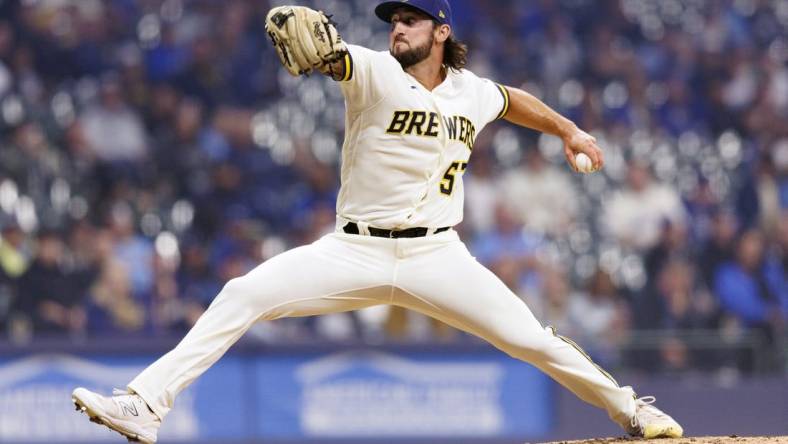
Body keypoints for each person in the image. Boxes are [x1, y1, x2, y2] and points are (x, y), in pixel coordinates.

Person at [72, 1, 683, 442]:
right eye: (392, 20)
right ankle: (145, 404)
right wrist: (325, 50)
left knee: (532, 339)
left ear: (441, 32)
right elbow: (337, 59)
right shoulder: (372, 70)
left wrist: (569, 130)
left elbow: (510, 98)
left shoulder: (469, 91)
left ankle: (632, 412)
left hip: (438, 257)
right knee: (243, 293)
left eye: (410, 20)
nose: (397, 28)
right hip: (353, 250)